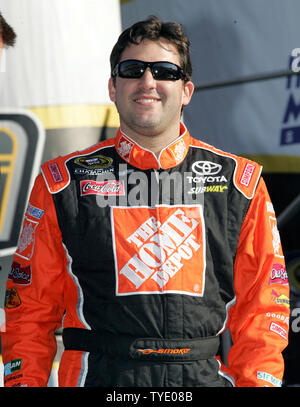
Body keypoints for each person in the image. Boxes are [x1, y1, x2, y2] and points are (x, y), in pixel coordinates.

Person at [1, 15, 289, 387]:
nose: (148, 81)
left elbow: (264, 308)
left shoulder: (239, 182)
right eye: (133, 69)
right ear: (112, 87)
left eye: (165, 71)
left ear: (186, 90)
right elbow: (28, 311)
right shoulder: (63, 182)